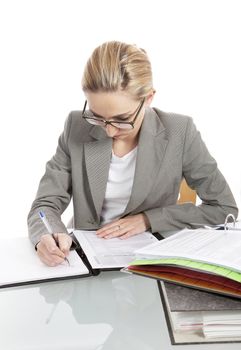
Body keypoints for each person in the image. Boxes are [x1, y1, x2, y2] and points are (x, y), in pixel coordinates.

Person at [28, 40, 238, 266]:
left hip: (151, 259)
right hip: (87, 259)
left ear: (148, 98)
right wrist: (46, 235)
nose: (109, 130)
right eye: (97, 116)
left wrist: (149, 219)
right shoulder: (76, 125)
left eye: (122, 119)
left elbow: (223, 208)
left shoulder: (179, 132)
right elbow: (45, 204)